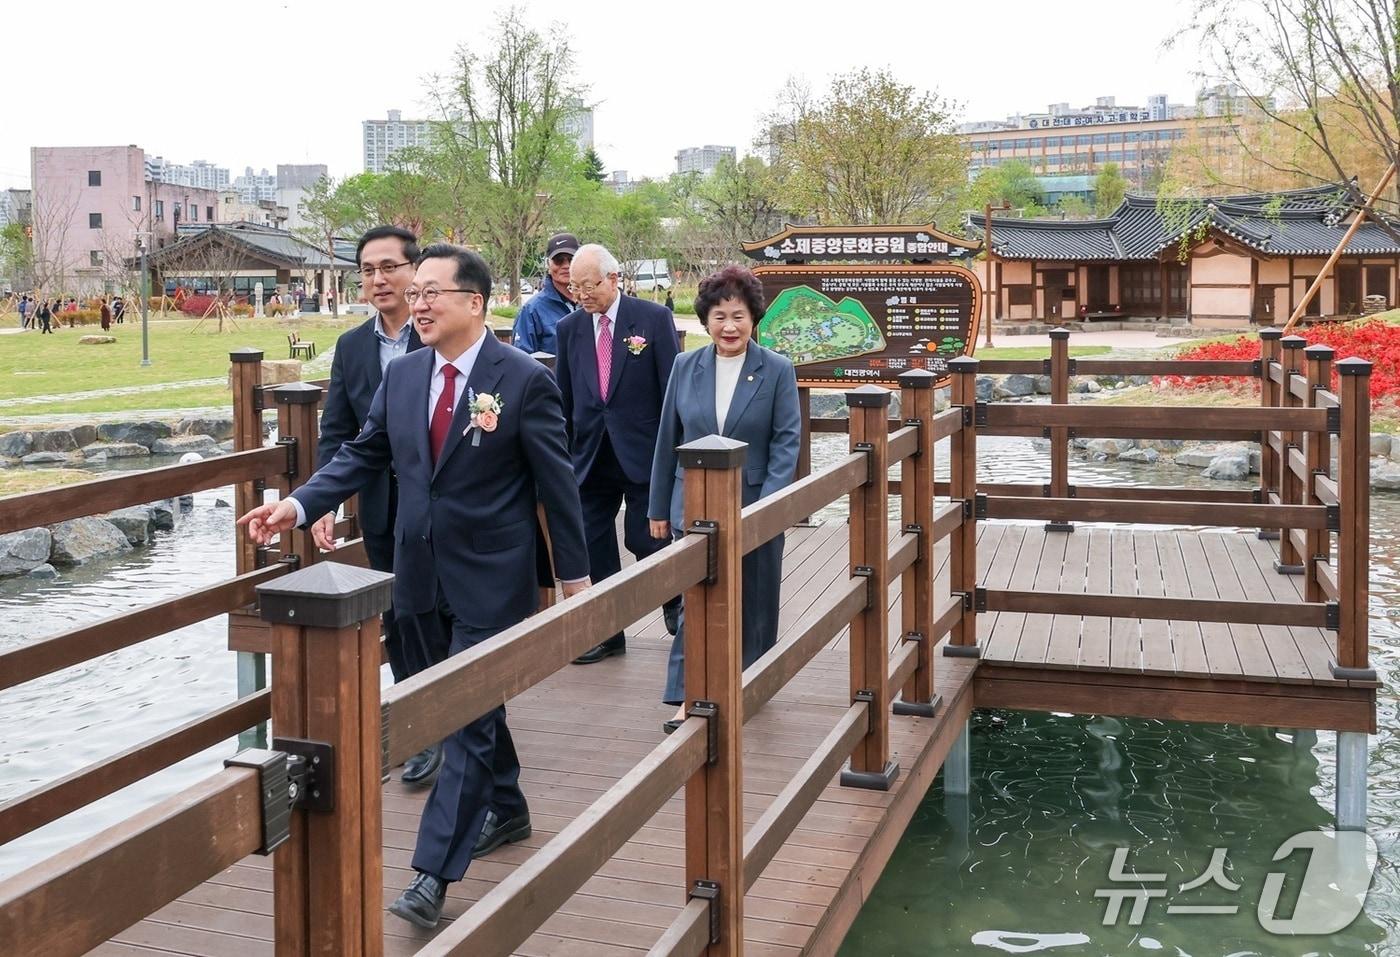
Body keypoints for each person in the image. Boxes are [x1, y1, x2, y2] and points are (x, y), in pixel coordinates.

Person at [237, 244, 590, 931]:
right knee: (457, 711)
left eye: (432, 291)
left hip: (493, 578)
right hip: (418, 576)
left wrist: (575, 582)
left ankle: (431, 873)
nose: (417, 302)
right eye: (415, 290)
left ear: (475, 303)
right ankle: (508, 805)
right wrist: (301, 505)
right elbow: (364, 452)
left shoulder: (521, 381)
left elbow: (558, 487)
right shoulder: (401, 378)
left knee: (466, 714)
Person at [648, 265, 801, 731]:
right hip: (691, 503)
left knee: (754, 600)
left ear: (753, 318)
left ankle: (747, 684)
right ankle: (688, 695)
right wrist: (657, 507)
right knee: (695, 599)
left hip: (753, 501)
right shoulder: (684, 366)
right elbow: (666, 439)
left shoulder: (776, 369)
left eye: (737, 316)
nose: (729, 327)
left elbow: (786, 444)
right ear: (705, 320)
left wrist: (766, 510)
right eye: (718, 316)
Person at [311, 225, 434, 783]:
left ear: (415, 271)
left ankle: (451, 716)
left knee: (436, 612)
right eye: (367, 270)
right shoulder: (353, 346)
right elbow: (337, 431)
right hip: (383, 504)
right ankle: (418, 726)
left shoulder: (439, 334)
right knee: (397, 615)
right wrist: (323, 503)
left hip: (440, 502)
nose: (379, 279)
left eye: (389, 267)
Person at [555, 243, 682, 663]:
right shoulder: (570, 329)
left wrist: (673, 451)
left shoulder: (653, 318)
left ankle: (675, 611)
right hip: (590, 454)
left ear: (613, 279)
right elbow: (567, 397)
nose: (581, 295)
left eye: (588, 285)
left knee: (649, 539)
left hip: (643, 450)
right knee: (592, 543)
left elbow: (671, 392)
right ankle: (606, 631)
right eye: (574, 287)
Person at [511, 232, 578, 356]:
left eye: (571, 260)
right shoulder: (531, 310)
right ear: (548, 264)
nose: (566, 266)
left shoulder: (592, 303)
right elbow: (521, 360)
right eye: (559, 260)